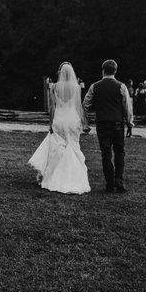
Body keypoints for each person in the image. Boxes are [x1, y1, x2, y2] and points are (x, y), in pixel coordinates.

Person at [28, 62, 90, 194]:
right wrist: (83, 122)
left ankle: (53, 176)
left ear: (60, 73)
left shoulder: (55, 87)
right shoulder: (76, 87)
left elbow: (52, 107)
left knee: (57, 148)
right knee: (73, 146)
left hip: (60, 119)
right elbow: (79, 107)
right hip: (72, 120)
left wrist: (51, 123)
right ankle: (73, 176)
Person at [82, 59, 134, 193]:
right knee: (120, 152)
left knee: (105, 154)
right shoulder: (121, 86)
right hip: (117, 123)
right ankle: (119, 181)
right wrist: (130, 124)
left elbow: (85, 105)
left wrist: (86, 123)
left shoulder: (94, 86)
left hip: (102, 123)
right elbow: (127, 107)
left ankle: (109, 184)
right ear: (115, 71)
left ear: (103, 70)